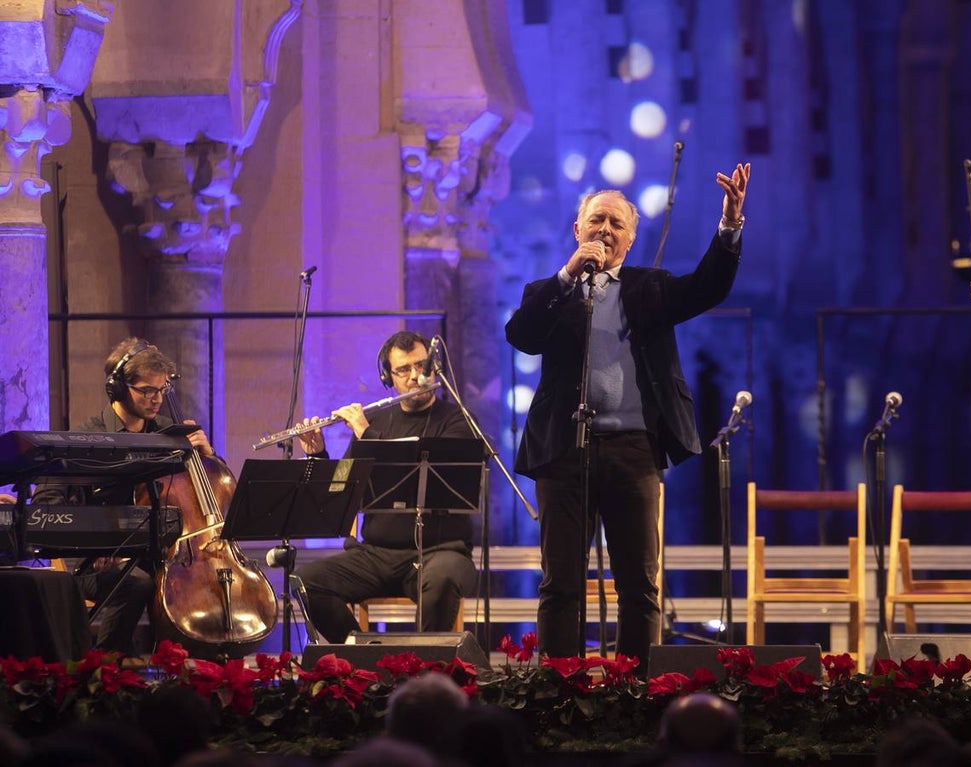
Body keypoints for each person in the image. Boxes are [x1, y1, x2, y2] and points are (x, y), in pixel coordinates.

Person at [505, 164, 750, 673]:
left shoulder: (650, 288)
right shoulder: (549, 291)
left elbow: (708, 288)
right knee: (561, 584)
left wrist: (728, 227)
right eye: (597, 220)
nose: (605, 231)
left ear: (631, 239)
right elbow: (522, 336)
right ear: (578, 230)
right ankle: (559, 689)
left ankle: (634, 689)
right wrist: (569, 275)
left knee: (639, 584)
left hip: (634, 450)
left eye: (617, 224)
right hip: (563, 451)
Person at [31, 338, 215, 656]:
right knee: (137, 583)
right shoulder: (83, 439)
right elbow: (46, 504)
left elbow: (207, 497)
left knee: (196, 585)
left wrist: (208, 459)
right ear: (117, 388)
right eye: (147, 390)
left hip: (160, 553)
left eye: (162, 390)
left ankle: (189, 676)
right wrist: (93, 543)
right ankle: (104, 670)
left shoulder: (170, 437)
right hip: (92, 558)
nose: (156, 399)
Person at [294, 330, 478, 640]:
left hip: (440, 552)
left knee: (443, 579)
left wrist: (368, 435)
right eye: (403, 370)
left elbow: (437, 478)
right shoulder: (376, 422)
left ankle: (425, 673)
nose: (415, 376)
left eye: (422, 366)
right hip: (376, 555)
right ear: (387, 376)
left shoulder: (457, 420)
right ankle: (363, 658)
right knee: (306, 580)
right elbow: (341, 489)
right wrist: (319, 455)